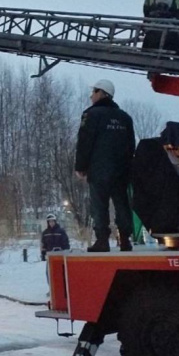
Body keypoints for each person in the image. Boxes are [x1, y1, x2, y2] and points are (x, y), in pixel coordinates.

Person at [74, 79, 136, 252]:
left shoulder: (91, 115)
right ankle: (125, 239)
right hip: (121, 171)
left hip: (99, 170)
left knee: (99, 206)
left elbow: (85, 143)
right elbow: (131, 145)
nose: (91, 96)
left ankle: (102, 240)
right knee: (122, 203)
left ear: (102, 93)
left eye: (93, 92)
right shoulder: (125, 118)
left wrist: (81, 167)